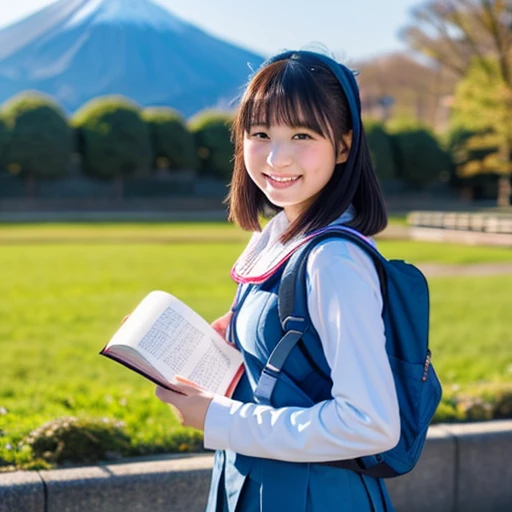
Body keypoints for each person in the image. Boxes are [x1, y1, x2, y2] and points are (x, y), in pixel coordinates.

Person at [155, 48, 400, 512]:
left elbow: (370, 424)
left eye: (302, 134)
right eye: (260, 133)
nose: (276, 157)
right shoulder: (280, 237)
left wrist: (217, 418)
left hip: (316, 496)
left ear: (344, 146)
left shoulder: (334, 260)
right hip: (260, 483)